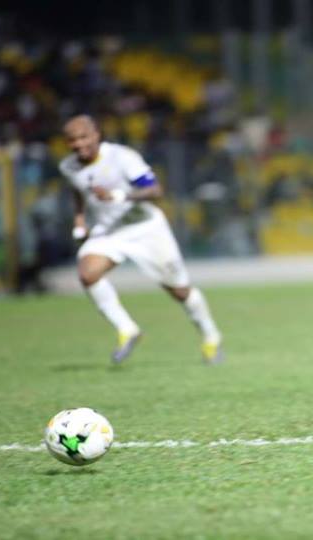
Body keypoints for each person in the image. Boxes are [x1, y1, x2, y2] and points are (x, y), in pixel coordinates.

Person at [59, 115, 223, 364]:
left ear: (96, 135)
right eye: (73, 140)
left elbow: (155, 190)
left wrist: (119, 196)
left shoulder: (121, 157)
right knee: (88, 274)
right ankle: (127, 329)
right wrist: (80, 221)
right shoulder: (68, 167)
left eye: (84, 137)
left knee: (179, 290)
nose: (79, 144)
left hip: (146, 228)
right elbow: (78, 192)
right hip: (110, 230)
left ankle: (211, 337)